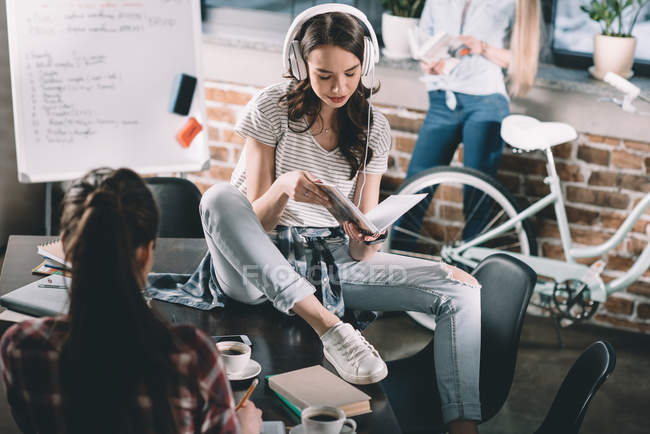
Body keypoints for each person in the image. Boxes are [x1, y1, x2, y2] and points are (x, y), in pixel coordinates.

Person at [199, 4, 482, 433]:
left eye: (350, 73)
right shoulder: (271, 108)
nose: (339, 87)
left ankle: (464, 428)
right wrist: (283, 187)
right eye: (325, 74)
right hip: (255, 266)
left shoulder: (374, 126)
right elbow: (252, 220)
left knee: (459, 293)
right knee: (218, 197)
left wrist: (367, 237)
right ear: (300, 64)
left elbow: (361, 253)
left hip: (327, 261)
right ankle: (330, 327)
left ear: (364, 64)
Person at [0, 168, 262, 434]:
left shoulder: (20, 347)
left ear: (66, 247)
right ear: (147, 251)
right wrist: (245, 430)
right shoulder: (194, 357)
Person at [394, 0, 541, 246]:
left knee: (477, 197)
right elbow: (425, 43)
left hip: (486, 102)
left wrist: (481, 47)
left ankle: (471, 275)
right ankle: (390, 264)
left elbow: (522, 62)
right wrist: (429, 63)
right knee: (414, 188)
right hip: (442, 99)